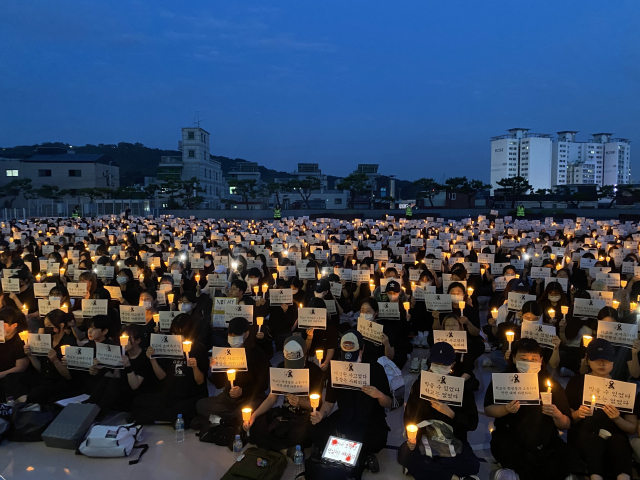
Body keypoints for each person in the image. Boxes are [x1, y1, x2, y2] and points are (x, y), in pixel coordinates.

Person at [484, 338, 586, 480]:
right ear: (514, 358)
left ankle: (515, 474)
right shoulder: (503, 380)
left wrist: (557, 414)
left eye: (533, 359)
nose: (529, 363)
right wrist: (505, 409)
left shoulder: (549, 383)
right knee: (511, 452)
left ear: (541, 360)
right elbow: (489, 410)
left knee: (566, 455)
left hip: (543, 442)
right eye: (523, 358)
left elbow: (566, 424)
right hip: (510, 438)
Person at [310, 330, 392, 473]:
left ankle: (347, 451)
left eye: (354, 355)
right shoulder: (336, 369)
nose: (349, 361)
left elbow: (389, 403)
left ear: (362, 349)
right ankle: (362, 456)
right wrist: (321, 415)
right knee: (316, 430)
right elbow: (329, 402)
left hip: (369, 419)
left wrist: (379, 395)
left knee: (377, 440)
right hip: (345, 417)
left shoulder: (375, 368)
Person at [399, 342, 480, 480]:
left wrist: (451, 413)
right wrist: (411, 437)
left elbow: (472, 423)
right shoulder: (420, 384)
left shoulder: (462, 388)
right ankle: (454, 478)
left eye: (444, 364)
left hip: (453, 439)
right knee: (403, 454)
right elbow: (410, 415)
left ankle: (427, 469)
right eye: (436, 363)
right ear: (430, 362)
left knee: (473, 464)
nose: (439, 367)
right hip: (425, 437)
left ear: (452, 365)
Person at [566, 338, 638, 480]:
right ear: (588, 360)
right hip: (584, 435)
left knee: (618, 441)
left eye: (607, 359)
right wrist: (578, 414)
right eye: (596, 359)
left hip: (614, 436)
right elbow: (567, 419)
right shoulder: (577, 382)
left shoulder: (622, 387)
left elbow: (631, 428)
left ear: (613, 361)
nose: (602, 363)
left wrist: (617, 419)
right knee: (594, 442)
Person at [244, 336, 324, 456]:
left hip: (305, 416)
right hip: (285, 413)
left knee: (307, 433)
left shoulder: (315, 372)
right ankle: (285, 450)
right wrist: (253, 415)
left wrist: (300, 402)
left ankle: (273, 445)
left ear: (305, 354)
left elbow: (317, 406)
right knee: (256, 425)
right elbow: (272, 397)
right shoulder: (281, 367)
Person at [132, 314, 208, 428]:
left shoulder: (199, 348)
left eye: (182, 334)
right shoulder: (168, 346)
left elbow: (200, 381)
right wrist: (152, 360)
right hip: (172, 394)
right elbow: (162, 376)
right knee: (139, 402)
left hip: (191, 395)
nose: (178, 337)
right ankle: (174, 418)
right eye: (175, 334)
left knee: (181, 410)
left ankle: (174, 417)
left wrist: (195, 367)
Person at [196, 317, 269, 423]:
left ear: (246, 334)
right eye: (230, 334)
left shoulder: (256, 353)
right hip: (228, 400)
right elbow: (219, 385)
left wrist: (242, 391)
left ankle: (225, 419)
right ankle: (233, 419)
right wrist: (215, 368)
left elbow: (263, 385)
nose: (232, 337)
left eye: (236, 335)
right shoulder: (224, 353)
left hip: (250, 398)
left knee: (253, 407)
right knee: (201, 405)